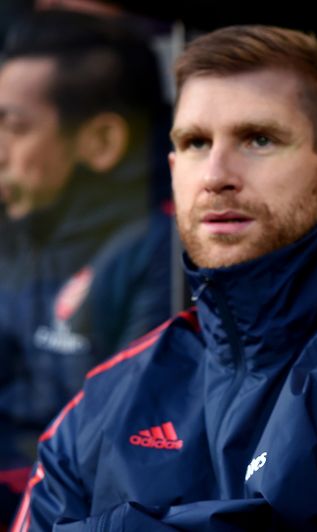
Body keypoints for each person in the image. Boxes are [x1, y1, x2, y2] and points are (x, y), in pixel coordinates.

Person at [13, 25, 317, 531]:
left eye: (259, 139)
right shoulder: (109, 392)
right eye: (196, 142)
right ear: (174, 166)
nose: (217, 174)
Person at [0, 10, 171, 522]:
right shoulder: (20, 232)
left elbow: (122, 456)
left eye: (15, 127)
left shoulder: (166, 254)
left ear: (101, 142)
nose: (1, 151)